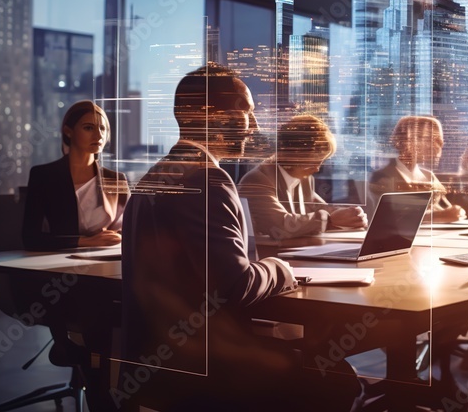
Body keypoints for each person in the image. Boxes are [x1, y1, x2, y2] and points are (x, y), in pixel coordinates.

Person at [121, 64, 360, 411]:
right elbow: (235, 287)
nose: (255, 125)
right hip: (208, 369)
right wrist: (279, 268)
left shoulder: (152, 178)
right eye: (245, 110)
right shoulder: (207, 180)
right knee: (337, 378)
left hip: (158, 366)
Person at [21, 100, 129, 368]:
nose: (99, 135)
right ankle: (78, 354)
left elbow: (128, 229)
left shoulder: (117, 179)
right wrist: (86, 241)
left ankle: (97, 365)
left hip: (106, 268)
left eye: (103, 128)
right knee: (91, 306)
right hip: (61, 271)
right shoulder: (45, 176)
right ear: (68, 131)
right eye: (89, 127)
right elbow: (30, 237)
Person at [238, 114, 367, 239]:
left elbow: (322, 208)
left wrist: (352, 216)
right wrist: (329, 219)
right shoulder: (257, 181)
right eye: (313, 161)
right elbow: (279, 226)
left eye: (321, 161)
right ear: (292, 153)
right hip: (267, 255)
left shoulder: (304, 178)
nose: (317, 169)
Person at [368, 115, 466, 223]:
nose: (439, 145)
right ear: (407, 141)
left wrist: (456, 212)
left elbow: (448, 209)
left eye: (439, 140)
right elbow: (392, 217)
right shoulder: (382, 177)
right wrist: (439, 216)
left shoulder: (429, 176)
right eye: (432, 139)